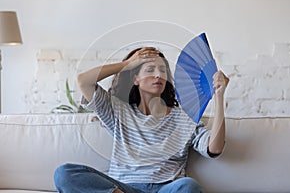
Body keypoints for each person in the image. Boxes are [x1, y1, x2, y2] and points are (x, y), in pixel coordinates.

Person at [54, 47, 229, 193]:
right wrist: (127, 64)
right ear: (135, 79)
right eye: (150, 69)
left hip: (166, 188)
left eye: (162, 70)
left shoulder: (184, 117)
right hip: (123, 188)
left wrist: (219, 96)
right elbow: (84, 81)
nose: (158, 75)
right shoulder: (117, 111)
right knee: (64, 174)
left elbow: (215, 148)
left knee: (189, 186)